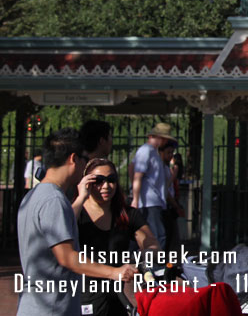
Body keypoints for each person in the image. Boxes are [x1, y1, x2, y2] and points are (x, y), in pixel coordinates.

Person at [17, 128, 136, 316]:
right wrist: (114, 272)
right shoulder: (54, 201)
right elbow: (67, 257)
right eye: (84, 160)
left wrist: (81, 198)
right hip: (52, 308)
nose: (85, 166)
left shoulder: (34, 196)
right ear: (73, 159)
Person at [72, 158, 159, 316]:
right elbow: (62, 229)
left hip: (121, 295)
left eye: (111, 180)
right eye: (98, 180)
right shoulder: (77, 213)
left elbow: (153, 245)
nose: (106, 186)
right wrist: (80, 197)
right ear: (86, 182)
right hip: (87, 294)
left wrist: (137, 260)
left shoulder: (127, 214)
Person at [131, 122, 178, 249]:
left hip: (154, 201)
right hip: (149, 202)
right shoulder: (146, 151)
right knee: (157, 236)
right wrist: (135, 199)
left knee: (157, 235)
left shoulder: (153, 152)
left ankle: (153, 263)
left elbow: (134, 169)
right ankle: (155, 265)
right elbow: (137, 175)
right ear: (161, 138)